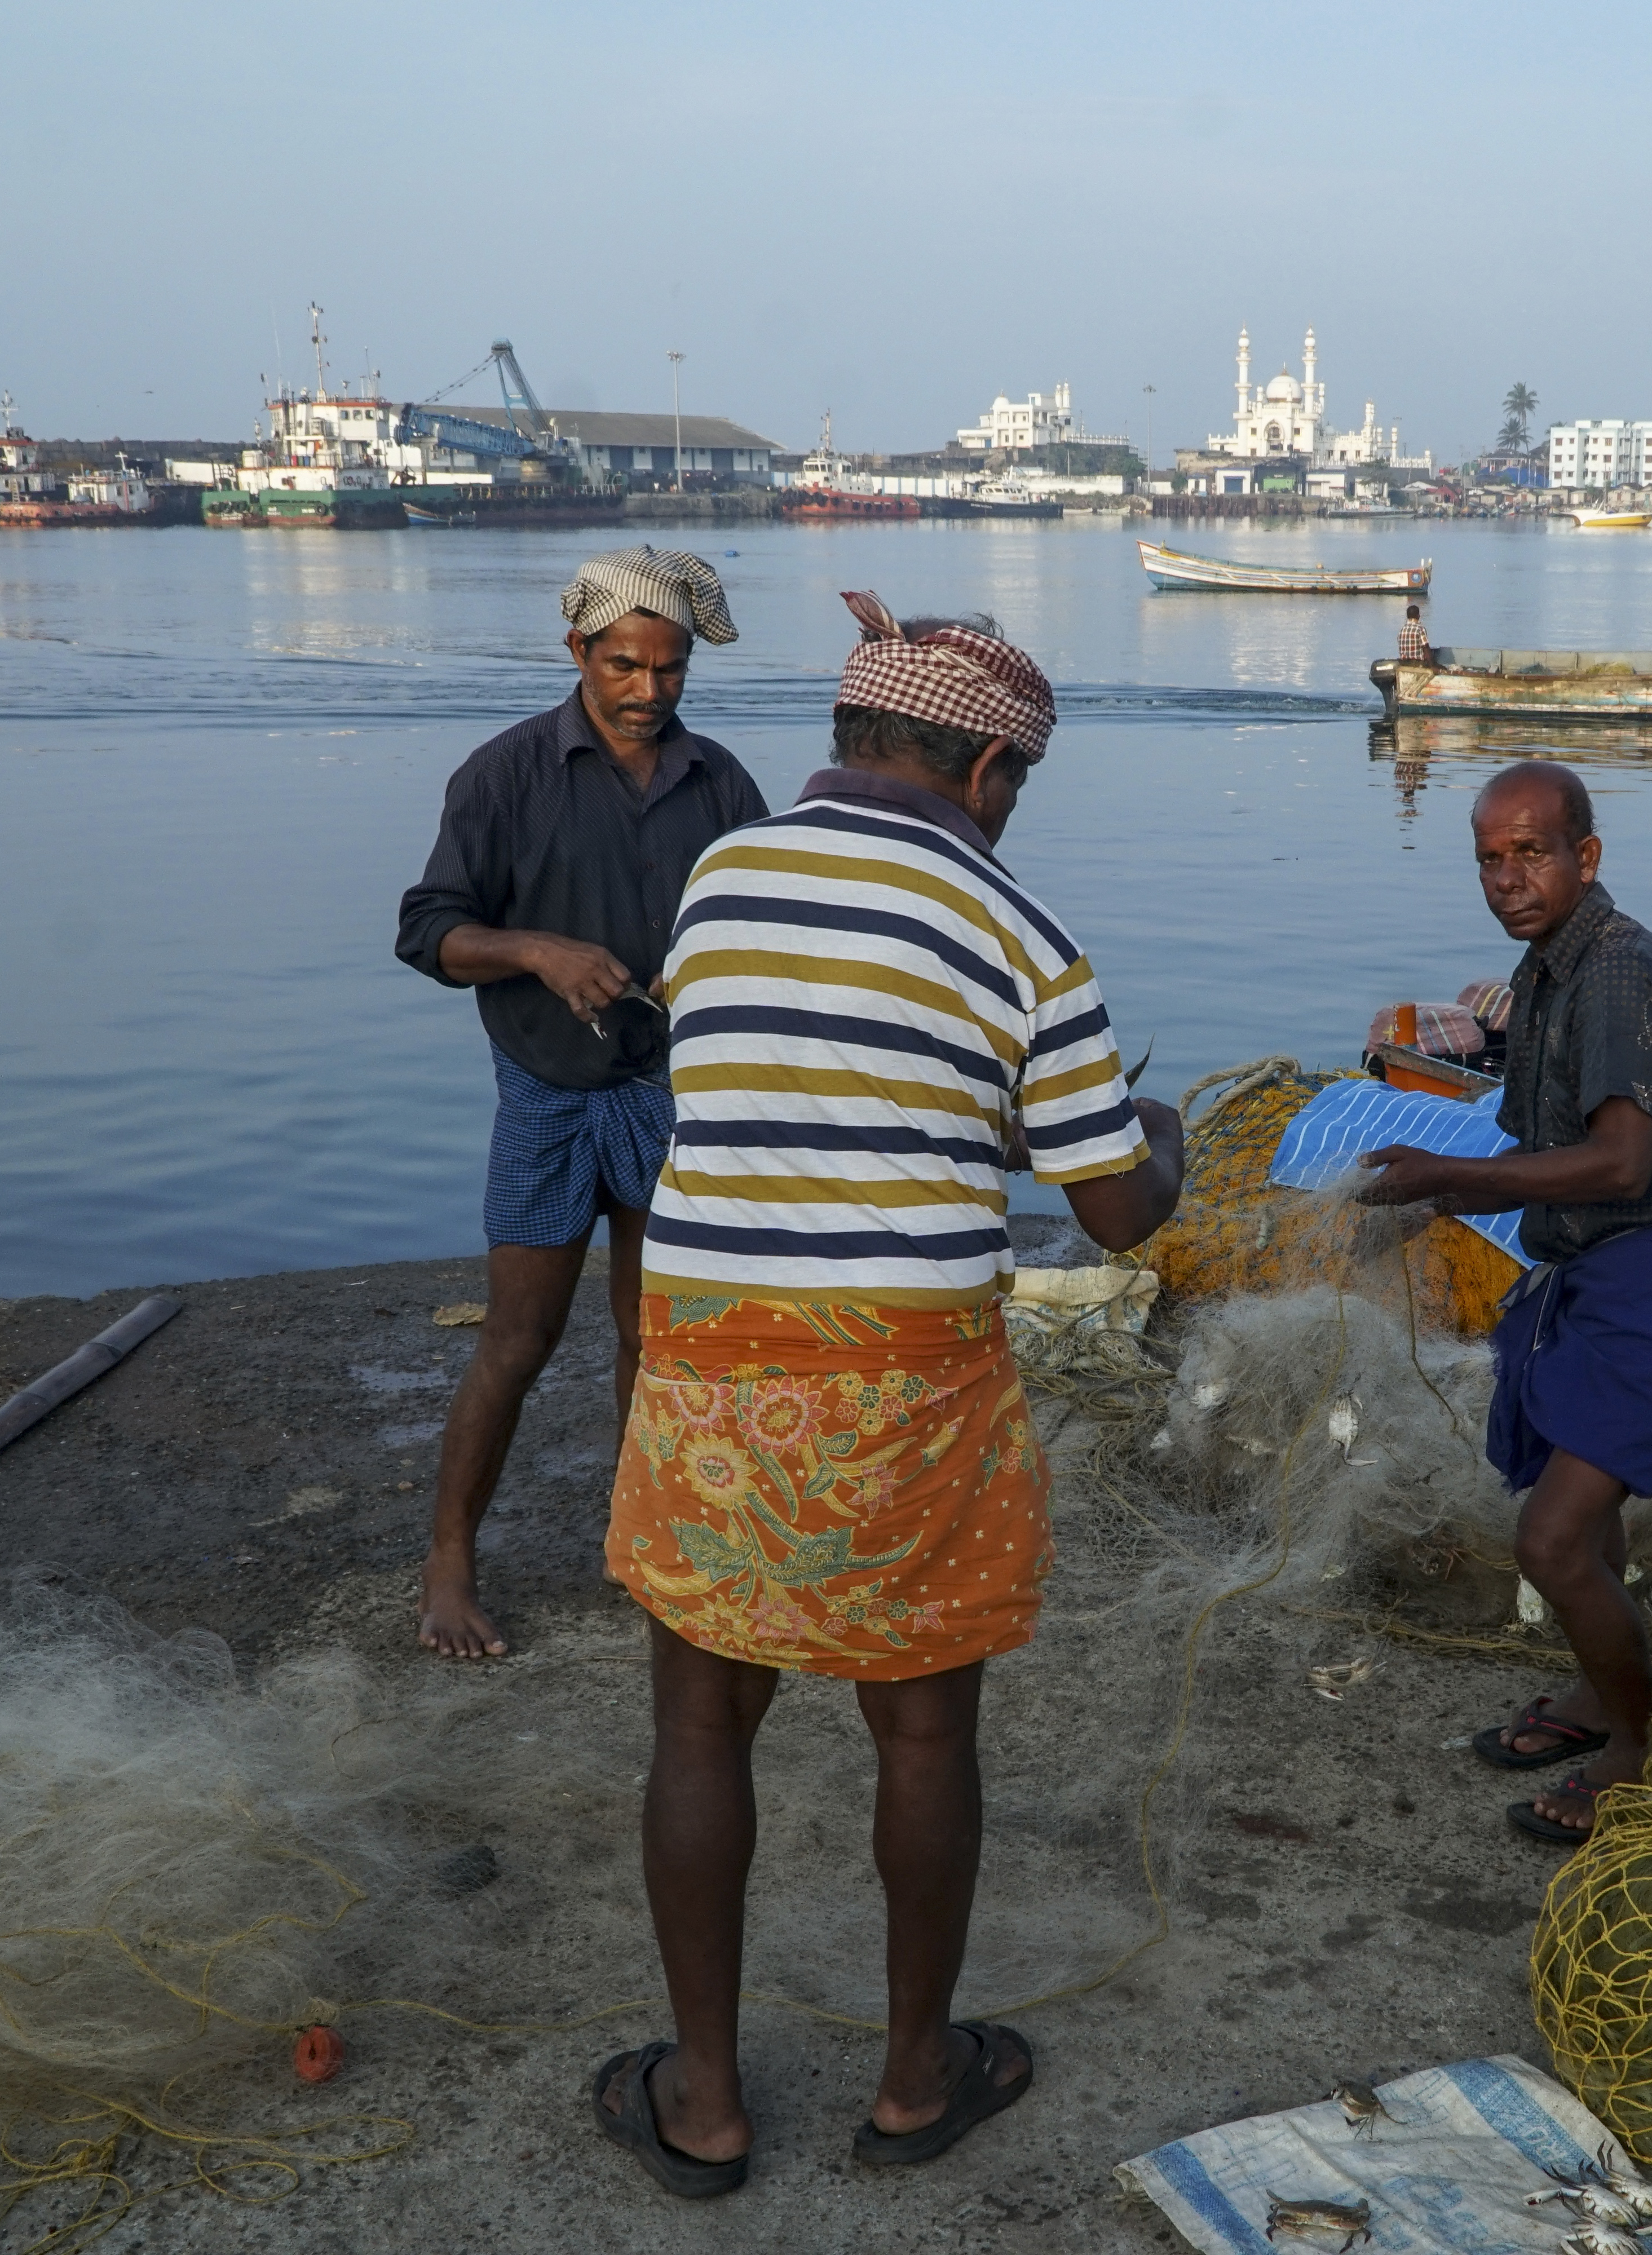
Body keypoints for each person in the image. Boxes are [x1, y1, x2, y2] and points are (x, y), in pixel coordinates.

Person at [585, 591, 1184, 2197]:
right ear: (986, 767)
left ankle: (702, 2104)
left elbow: (772, 1079)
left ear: (852, 740)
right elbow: (1115, 1211)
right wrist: (1163, 1141)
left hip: (709, 1352)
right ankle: (916, 2081)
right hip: (905, 1375)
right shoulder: (1024, 936)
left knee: (702, 1717)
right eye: (1015, 786)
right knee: (922, 1727)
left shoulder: (719, 880)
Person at [1357, 760, 1652, 1845]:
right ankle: (1592, 1697)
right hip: (1595, 1277)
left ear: (1587, 857)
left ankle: (1637, 1743)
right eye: (1489, 856)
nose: (1509, 878)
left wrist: (1448, 1178)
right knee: (1590, 1521)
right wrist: (1446, 1182)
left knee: (1553, 1542)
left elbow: (1618, 1164)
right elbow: (1544, 1145)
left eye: (1532, 852)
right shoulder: (1545, 975)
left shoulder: (1617, 974)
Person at [392, 549, 765, 1660]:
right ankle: (449, 1561)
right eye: (623, 666)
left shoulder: (721, 784)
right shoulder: (504, 775)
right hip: (549, 1092)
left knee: (655, 1340)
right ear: (578, 654)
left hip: (670, 1090)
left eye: (670, 670)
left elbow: (755, 927)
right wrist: (538, 951)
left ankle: (643, 1538)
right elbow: (428, 932)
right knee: (517, 1338)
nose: (647, 692)